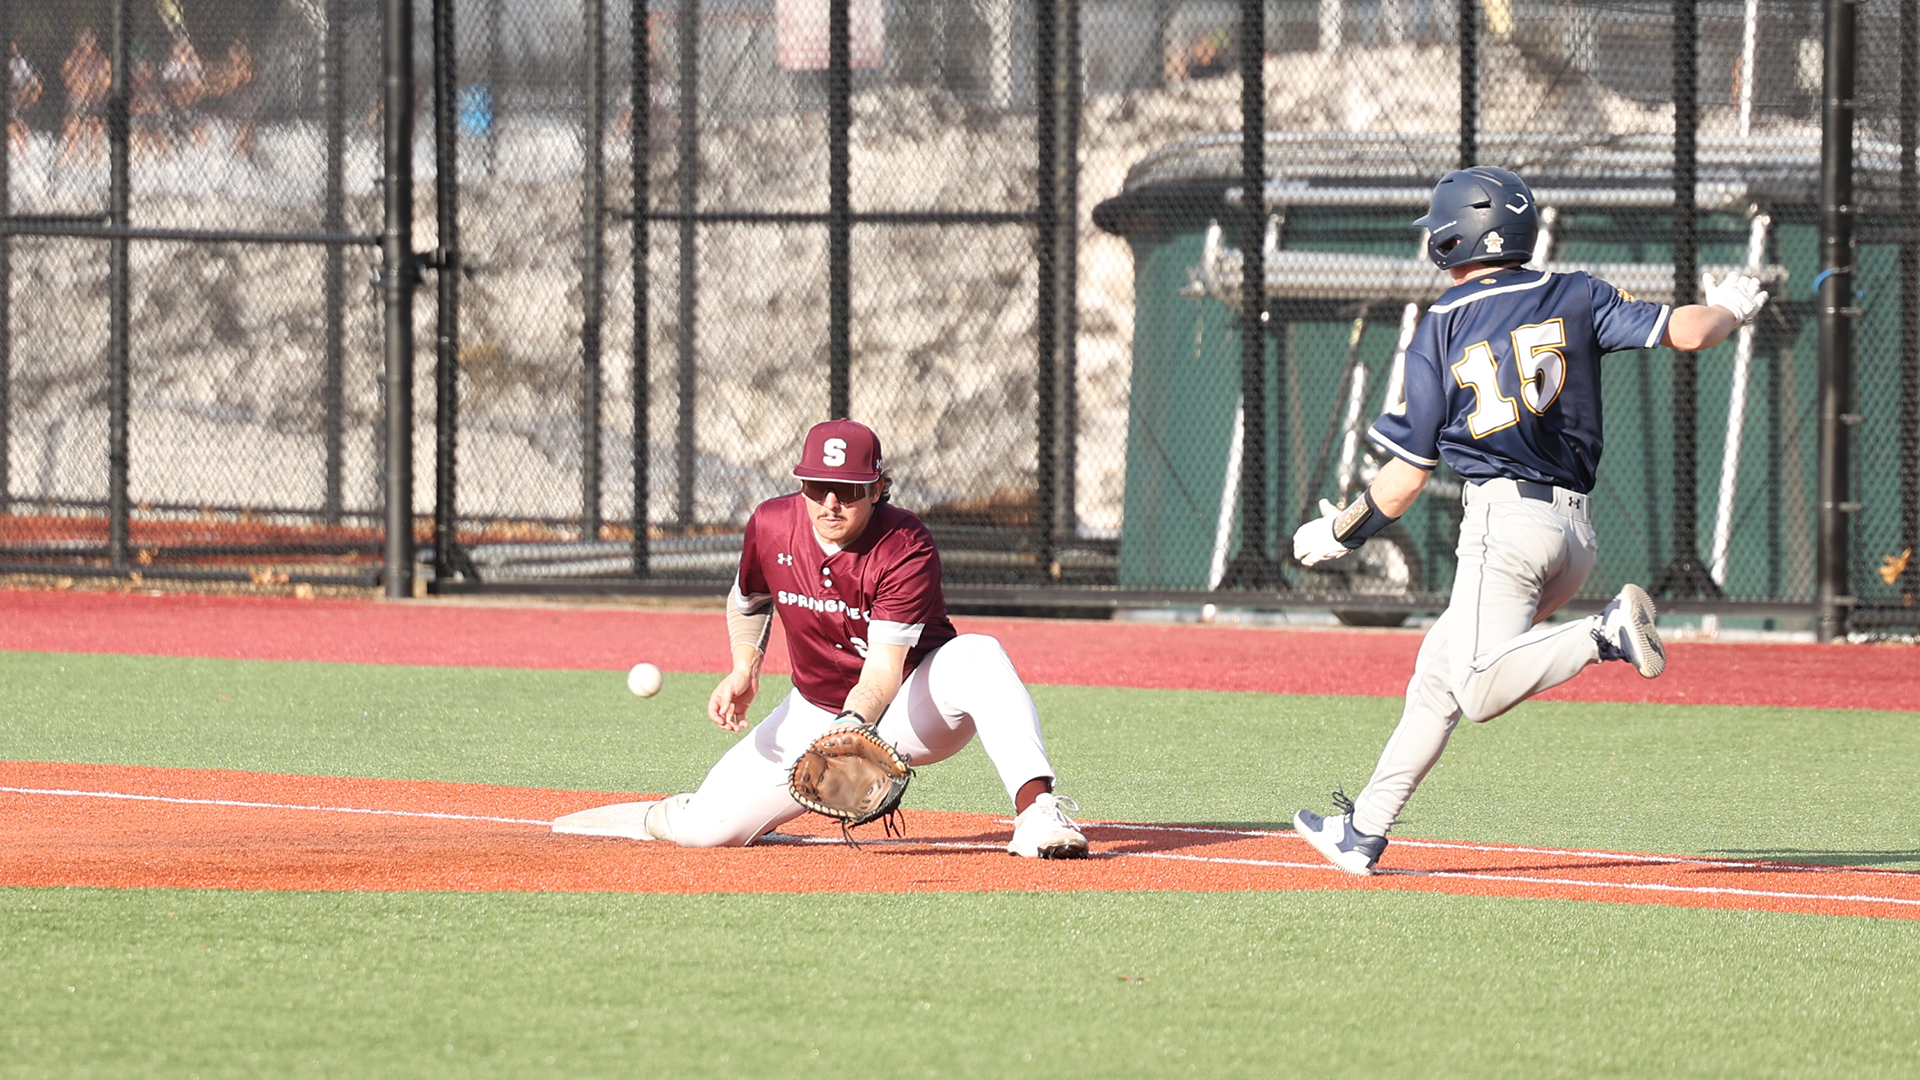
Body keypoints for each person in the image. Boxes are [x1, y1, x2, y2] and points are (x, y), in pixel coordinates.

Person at [1289, 166, 1769, 876]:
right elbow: (1691, 332)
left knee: (1477, 687)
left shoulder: (1440, 326)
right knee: (1437, 677)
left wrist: (1341, 532)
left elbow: (1404, 480)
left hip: (1504, 528)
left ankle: (1603, 634)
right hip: (1572, 536)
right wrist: (1728, 306)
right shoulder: (1575, 292)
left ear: (1453, 240)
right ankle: (1363, 830)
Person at [577, 418, 1089, 858]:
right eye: (815, 485)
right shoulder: (772, 524)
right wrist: (745, 667)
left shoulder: (903, 544)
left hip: (915, 704)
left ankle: (1037, 815)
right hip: (815, 708)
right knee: (704, 832)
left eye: (846, 490)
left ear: (876, 488)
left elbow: (884, 670)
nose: (828, 502)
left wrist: (850, 732)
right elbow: (749, 600)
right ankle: (672, 812)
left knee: (978, 654)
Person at [60, 27, 110, 163]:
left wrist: (93, 87)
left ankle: (94, 154)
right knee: (72, 125)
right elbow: (66, 78)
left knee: (93, 125)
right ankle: (68, 154)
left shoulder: (101, 59)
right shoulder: (75, 57)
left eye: (87, 42)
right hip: (78, 98)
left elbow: (105, 83)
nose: (85, 46)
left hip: (94, 99)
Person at [9, 41, 41, 148]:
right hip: (13, 97)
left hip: (22, 96)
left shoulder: (23, 61)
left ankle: (28, 144)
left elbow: (34, 79)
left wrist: (26, 92)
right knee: (13, 124)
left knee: (18, 123)